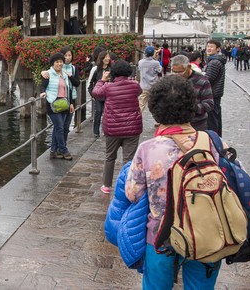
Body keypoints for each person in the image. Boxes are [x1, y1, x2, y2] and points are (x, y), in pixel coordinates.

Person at [125, 75, 224, 289]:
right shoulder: (214, 142)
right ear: (192, 107)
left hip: (162, 236)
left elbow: (132, 193)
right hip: (208, 235)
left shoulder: (148, 149)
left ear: (155, 110)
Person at [91, 60, 142, 194]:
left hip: (113, 128)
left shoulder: (108, 87)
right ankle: (127, 186)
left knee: (110, 157)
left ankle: (107, 186)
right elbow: (139, 92)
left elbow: (96, 93)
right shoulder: (135, 85)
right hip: (132, 127)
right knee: (128, 159)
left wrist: (102, 80)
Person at [41, 46, 80, 150]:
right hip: (55, 102)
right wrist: (43, 91)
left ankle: (56, 148)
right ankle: (61, 149)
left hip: (69, 100)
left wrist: (70, 76)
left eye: (69, 55)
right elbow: (45, 80)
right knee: (59, 127)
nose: (67, 58)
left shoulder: (72, 69)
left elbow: (76, 84)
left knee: (64, 127)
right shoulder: (51, 72)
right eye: (65, 55)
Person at [170, 55, 214, 131]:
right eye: (174, 72)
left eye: (180, 72)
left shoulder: (202, 80)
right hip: (174, 124)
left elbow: (209, 104)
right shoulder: (170, 80)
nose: (177, 75)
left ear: (189, 67)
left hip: (196, 125)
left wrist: (191, 108)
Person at [203, 39, 226, 136]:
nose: (209, 48)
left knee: (212, 121)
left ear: (218, 49)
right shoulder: (216, 60)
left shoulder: (214, 62)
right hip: (216, 94)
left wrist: (201, 75)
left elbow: (208, 79)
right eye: (208, 46)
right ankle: (217, 139)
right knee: (215, 119)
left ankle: (214, 141)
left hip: (212, 94)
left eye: (212, 46)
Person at [89, 50, 112, 139]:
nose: (107, 59)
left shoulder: (111, 69)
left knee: (107, 113)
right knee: (98, 112)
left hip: (108, 95)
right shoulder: (97, 69)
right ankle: (96, 132)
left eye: (108, 57)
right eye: (105, 57)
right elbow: (91, 82)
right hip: (98, 95)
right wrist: (92, 94)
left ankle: (106, 130)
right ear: (101, 58)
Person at [137, 46, 162, 112]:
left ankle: (138, 119)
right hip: (154, 86)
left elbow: (139, 70)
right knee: (156, 104)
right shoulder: (156, 63)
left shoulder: (141, 62)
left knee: (141, 105)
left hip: (144, 86)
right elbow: (159, 70)